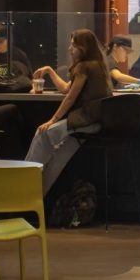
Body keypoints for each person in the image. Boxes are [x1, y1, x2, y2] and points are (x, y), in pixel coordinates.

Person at [26, 29, 114, 194]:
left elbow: (70, 98)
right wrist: (50, 71)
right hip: (96, 123)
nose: (70, 49)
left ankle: (25, 180)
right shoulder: (97, 65)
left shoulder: (83, 66)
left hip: (85, 122)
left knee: (42, 133)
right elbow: (66, 89)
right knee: (59, 157)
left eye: (74, 45)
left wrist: (53, 120)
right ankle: (36, 198)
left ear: (84, 47)